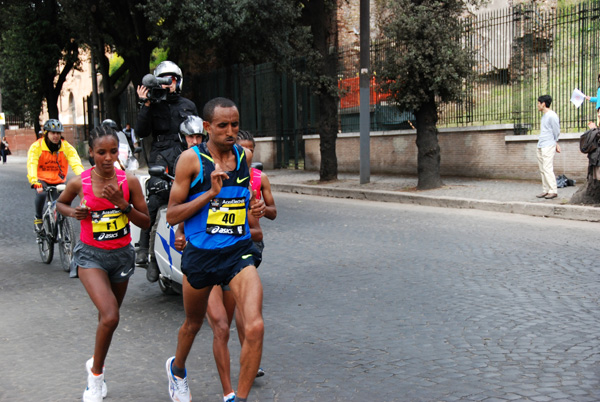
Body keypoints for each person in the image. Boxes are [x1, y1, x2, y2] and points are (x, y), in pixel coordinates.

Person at [164, 97, 266, 402]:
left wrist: (255, 207)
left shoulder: (244, 157)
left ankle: (239, 398)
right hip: (202, 257)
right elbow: (172, 214)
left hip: (238, 252)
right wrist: (209, 193)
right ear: (207, 127)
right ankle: (177, 369)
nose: (231, 131)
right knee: (194, 324)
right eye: (223, 125)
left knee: (256, 326)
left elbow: (241, 202)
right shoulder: (191, 161)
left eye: (235, 124)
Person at [56, 125, 150, 402]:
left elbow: (145, 222)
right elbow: (59, 204)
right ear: (92, 153)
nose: (108, 158)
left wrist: (122, 203)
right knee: (110, 316)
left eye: (113, 151)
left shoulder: (129, 181)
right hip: (90, 256)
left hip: (121, 255)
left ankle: (96, 362)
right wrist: (75, 211)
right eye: (101, 152)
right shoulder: (80, 182)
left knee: (106, 319)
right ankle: (96, 376)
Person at [203, 130, 277, 402]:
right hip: (209, 254)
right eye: (240, 149)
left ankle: (249, 359)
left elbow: (268, 217)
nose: (244, 155)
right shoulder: (206, 169)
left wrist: (257, 212)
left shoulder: (258, 179)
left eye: (249, 151)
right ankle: (181, 370)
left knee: (248, 316)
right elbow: (184, 211)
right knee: (216, 324)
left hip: (246, 250)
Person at [139, 115, 205, 281]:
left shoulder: (209, 155)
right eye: (191, 137)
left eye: (199, 137)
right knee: (155, 206)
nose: (195, 141)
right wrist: (162, 184)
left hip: (201, 198)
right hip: (173, 198)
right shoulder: (168, 155)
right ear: (182, 137)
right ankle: (149, 253)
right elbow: (155, 174)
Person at [135, 60, 198, 164]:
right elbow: (141, 132)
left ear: (178, 82)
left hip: (184, 153)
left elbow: (198, 132)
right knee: (156, 180)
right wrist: (146, 104)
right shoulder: (152, 105)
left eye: (172, 80)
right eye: (163, 80)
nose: (168, 83)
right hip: (160, 154)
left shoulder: (189, 105)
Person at [27, 119, 85, 232]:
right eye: (53, 133)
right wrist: (34, 180)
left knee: (61, 203)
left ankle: (61, 226)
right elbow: (32, 163)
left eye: (58, 133)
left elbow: (75, 162)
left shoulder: (66, 147)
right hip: (41, 179)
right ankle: (38, 218)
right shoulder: (37, 146)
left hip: (58, 180)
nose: (56, 136)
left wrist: (83, 177)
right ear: (46, 133)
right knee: (41, 193)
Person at [536, 95, 561, 200]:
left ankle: (553, 190)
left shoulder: (552, 115)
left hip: (548, 144)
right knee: (542, 168)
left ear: (543, 104)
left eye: (538, 103)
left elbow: (556, 131)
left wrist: (555, 142)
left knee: (547, 168)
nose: (537, 106)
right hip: (541, 144)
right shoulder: (544, 116)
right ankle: (545, 189)